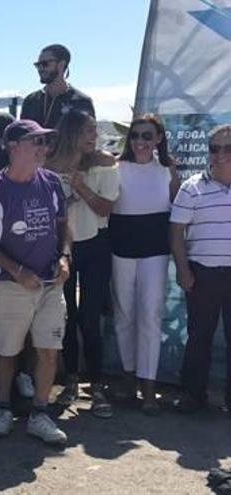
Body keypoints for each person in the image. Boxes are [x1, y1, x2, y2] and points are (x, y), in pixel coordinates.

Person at [0, 119, 71, 445]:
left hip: (50, 283)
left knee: (49, 351)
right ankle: (3, 408)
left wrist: (66, 256)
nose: (43, 148)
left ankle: (40, 414)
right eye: (36, 142)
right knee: (6, 351)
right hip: (9, 285)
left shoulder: (52, 183)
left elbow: (63, 226)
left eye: (45, 142)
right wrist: (16, 270)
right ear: (13, 147)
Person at [45, 110, 118, 418]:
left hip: (95, 246)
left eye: (95, 131)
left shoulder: (105, 165)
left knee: (90, 319)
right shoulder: (46, 166)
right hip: (61, 248)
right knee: (66, 317)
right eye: (87, 131)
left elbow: (104, 209)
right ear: (70, 132)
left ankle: (97, 386)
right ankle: (71, 381)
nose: (93, 136)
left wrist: (81, 187)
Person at [109, 114, 180, 415]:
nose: (139, 142)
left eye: (147, 136)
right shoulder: (116, 168)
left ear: (158, 139)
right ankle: (128, 379)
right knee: (124, 315)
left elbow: (177, 215)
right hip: (121, 250)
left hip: (155, 252)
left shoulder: (168, 171)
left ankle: (148, 386)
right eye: (135, 135)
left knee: (150, 316)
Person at [171, 124, 231, 415]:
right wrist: (183, 271)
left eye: (227, 148)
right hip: (203, 273)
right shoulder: (192, 187)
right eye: (214, 148)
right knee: (199, 338)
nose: (220, 155)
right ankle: (193, 396)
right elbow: (176, 232)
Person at [21, 44, 95, 129]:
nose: (40, 69)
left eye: (45, 64)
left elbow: (89, 137)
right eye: (38, 65)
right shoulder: (31, 101)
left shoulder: (81, 102)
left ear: (61, 65)